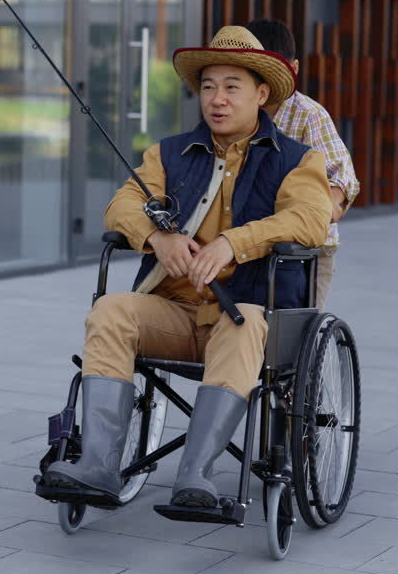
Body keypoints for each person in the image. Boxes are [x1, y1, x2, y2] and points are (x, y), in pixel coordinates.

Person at [37, 25, 332, 510]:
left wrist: (233, 244)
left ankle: (196, 474)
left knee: (245, 324)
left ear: (261, 93)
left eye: (231, 87)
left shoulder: (299, 160)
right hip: (173, 313)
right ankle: (98, 465)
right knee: (112, 310)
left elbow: (311, 219)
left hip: (245, 317)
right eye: (209, 86)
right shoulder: (168, 153)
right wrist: (158, 237)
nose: (216, 99)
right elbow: (121, 205)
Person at [246, 19, 360, 308]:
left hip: (308, 250)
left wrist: (327, 207)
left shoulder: (308, 115)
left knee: (298, 326)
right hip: (254, 240)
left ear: (293, 70)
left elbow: (343, 176)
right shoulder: (239, 113)